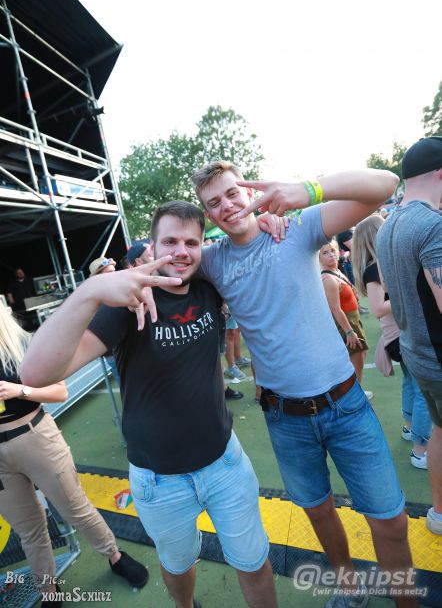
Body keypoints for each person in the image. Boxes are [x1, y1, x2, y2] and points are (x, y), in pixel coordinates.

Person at [21, 202, 278, 608]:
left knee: (253, 560)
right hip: (159, 480)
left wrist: (266, 222)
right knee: (178, 565)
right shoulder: (127, 305)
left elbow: (252, 252)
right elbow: (35, 374)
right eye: (170, 241)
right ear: (152, 246)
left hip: (225, 462)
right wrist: (89, 292)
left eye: (191, 242)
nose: (181, 251)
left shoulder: (208, 286)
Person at [191, 161, 418, 607]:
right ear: (208, 215)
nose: (226, 206)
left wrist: (307, 190)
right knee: (319, 512)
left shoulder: (297, 229)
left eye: (232, 193)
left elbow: (386, 185)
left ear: (249, 191)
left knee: (390, 521)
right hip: (285, 417)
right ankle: (349, 587)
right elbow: (161, 256)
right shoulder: (212, 260)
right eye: (213, 203)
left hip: (346, 405)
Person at [0, 302, 148, 606]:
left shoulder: (24, 344)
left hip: (35, 436)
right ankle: (48, 591)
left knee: (74, 507)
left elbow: (60, 391)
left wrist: (20, 391)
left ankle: (114, 556)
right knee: (28, 530)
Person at [376, 137, 442, 535]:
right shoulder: (432, 225)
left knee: (439, 430)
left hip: (417, 352)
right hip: (436, 355)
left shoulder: (389, 226)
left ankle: (439, 513)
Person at [352, 214, 432, 469]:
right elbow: (377, 308)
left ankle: (410, 428)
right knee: (423, 391)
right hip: (399, 336)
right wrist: (411, 293)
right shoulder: (374, 268)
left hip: (399, 336)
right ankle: (420, 450)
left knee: (412, 384)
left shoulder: (377, 266)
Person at [319, 240, 369, 387]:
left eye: (332, 251)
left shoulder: (337, 272)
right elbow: (335, 309)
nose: (331, 255)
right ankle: (356, 395)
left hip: (352, 321)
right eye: (325, 253)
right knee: (355, 362)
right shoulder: (328, 279)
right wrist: (349, 332)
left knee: (360, 357)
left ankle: (358, 391)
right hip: (346, 324)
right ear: (319, 258)